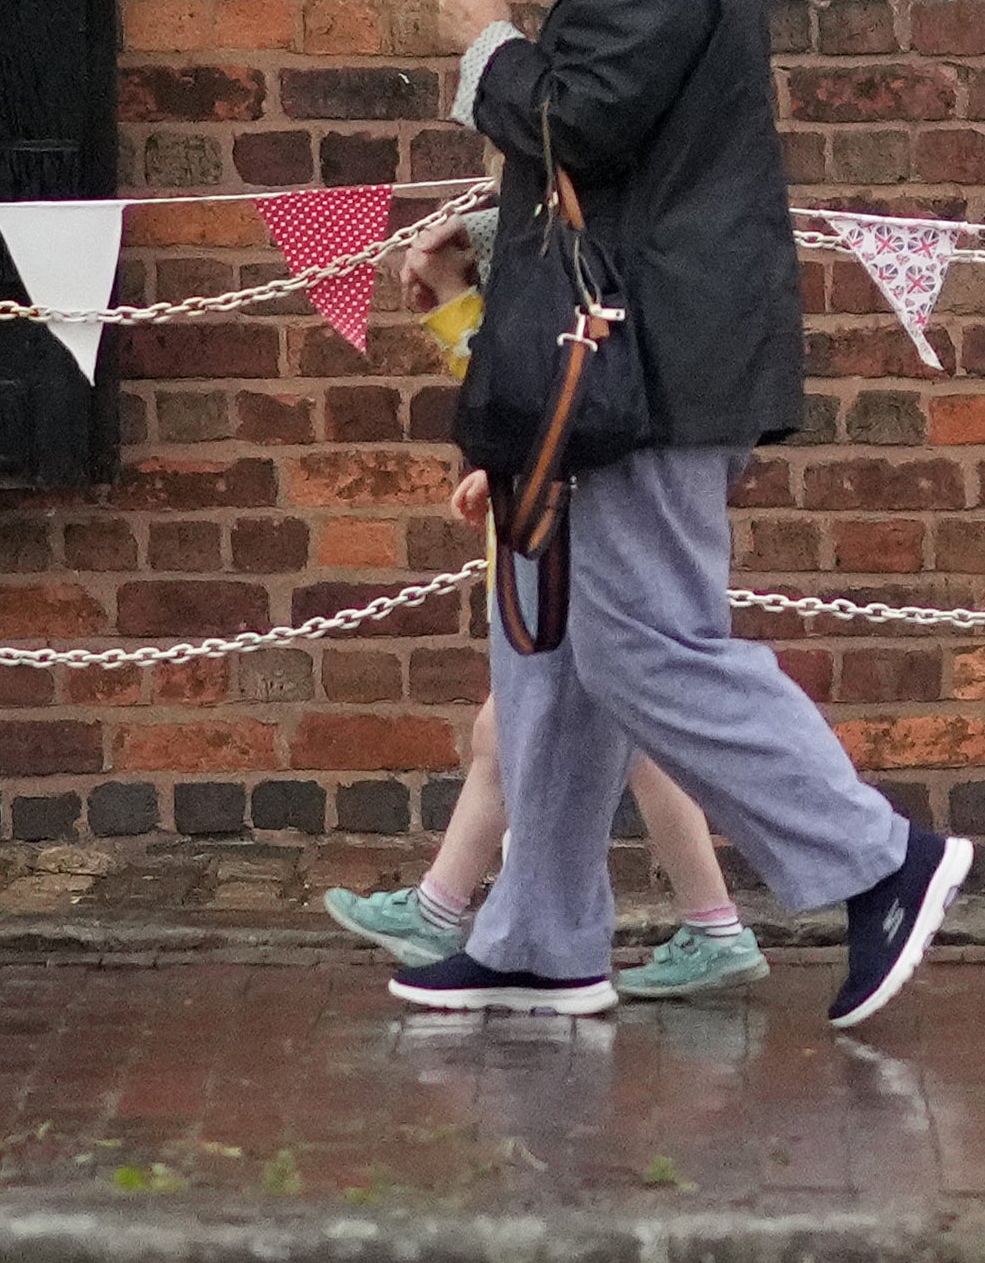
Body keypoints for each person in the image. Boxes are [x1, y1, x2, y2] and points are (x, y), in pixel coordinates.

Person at [403, 0, 974, 1028]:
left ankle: (876, 858)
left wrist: (484, 36)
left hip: (647, 367)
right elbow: (625, 171)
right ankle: (540, 932)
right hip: (603, 357)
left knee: (648, 641)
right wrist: (493, 244)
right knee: (548, 646)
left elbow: (580, 117)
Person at [323, 224, 769, 996]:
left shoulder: (562, 264)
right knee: (537, 736)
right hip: (544, 528)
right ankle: (704, 921)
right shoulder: (544, 265)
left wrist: (500, 443)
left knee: (565, 731)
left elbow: (532, 393)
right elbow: (505, 386)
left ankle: (449, 910)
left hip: (565, 537)